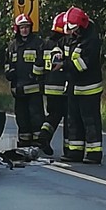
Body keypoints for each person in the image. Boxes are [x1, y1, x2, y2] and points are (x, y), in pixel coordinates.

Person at [62, 7, 103, 164]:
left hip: (89, 89)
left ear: (82, 25)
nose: (73, 32)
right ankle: (75, 151)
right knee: (74, 121)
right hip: (74, 87)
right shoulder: (74, 37)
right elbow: (60, 47)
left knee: (90, 121)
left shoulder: (91, 41)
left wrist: (64, 65)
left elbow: (82, 65)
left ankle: (94, 153)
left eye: (75, 28)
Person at [4, 13, 45, 149]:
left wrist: (35, 74)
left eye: (27, 27)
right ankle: (24, 142)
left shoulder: (38, 43)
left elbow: (42, 62)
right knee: (21, 118)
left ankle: (37, 142)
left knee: (36, 117)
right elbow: (7, 64)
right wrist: (9, 73)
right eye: (22, 28)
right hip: (18, 90)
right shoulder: (12, 46)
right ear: (17, 29)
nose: (25, 30)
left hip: (33, 89)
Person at [38, 12, 68, 157]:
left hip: (48, 87)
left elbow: (39, 67)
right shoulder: (64, 44)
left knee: (53, 115)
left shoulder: (45, 44)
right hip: (62, 87)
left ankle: (44, 134)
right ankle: (69, 148)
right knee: (68, 117)